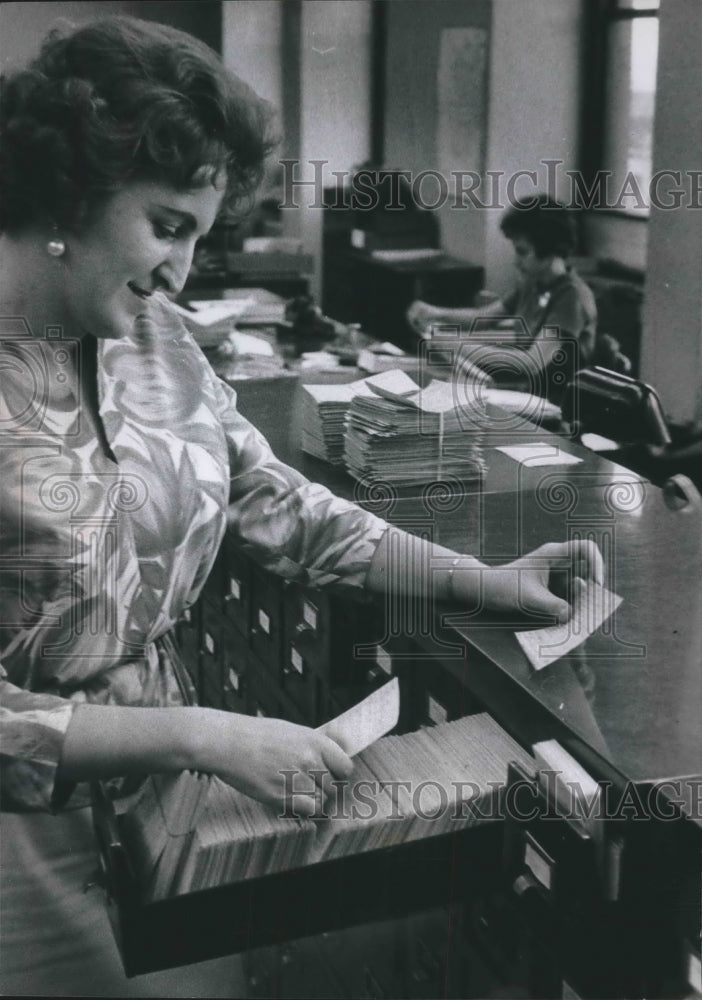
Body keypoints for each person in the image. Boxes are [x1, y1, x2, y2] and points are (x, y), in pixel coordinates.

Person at [0, 17, 604, 997]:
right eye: (166, 226)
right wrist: (204, 734)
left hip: (172, 820)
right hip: (24, 850)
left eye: (201, 234)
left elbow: (283, 502)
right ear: (68, 188)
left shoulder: (155, 341)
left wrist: (485, 579)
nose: (183, 273)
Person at [407, 195, 598, 403]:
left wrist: (453, 343)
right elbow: (482, 318)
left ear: (549, 250)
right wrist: (435, 313)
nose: (516, 261)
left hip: (555, 403)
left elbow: (530, 363)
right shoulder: (534, 284)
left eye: (522, 252)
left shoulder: (571, 298)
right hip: (524, 392)